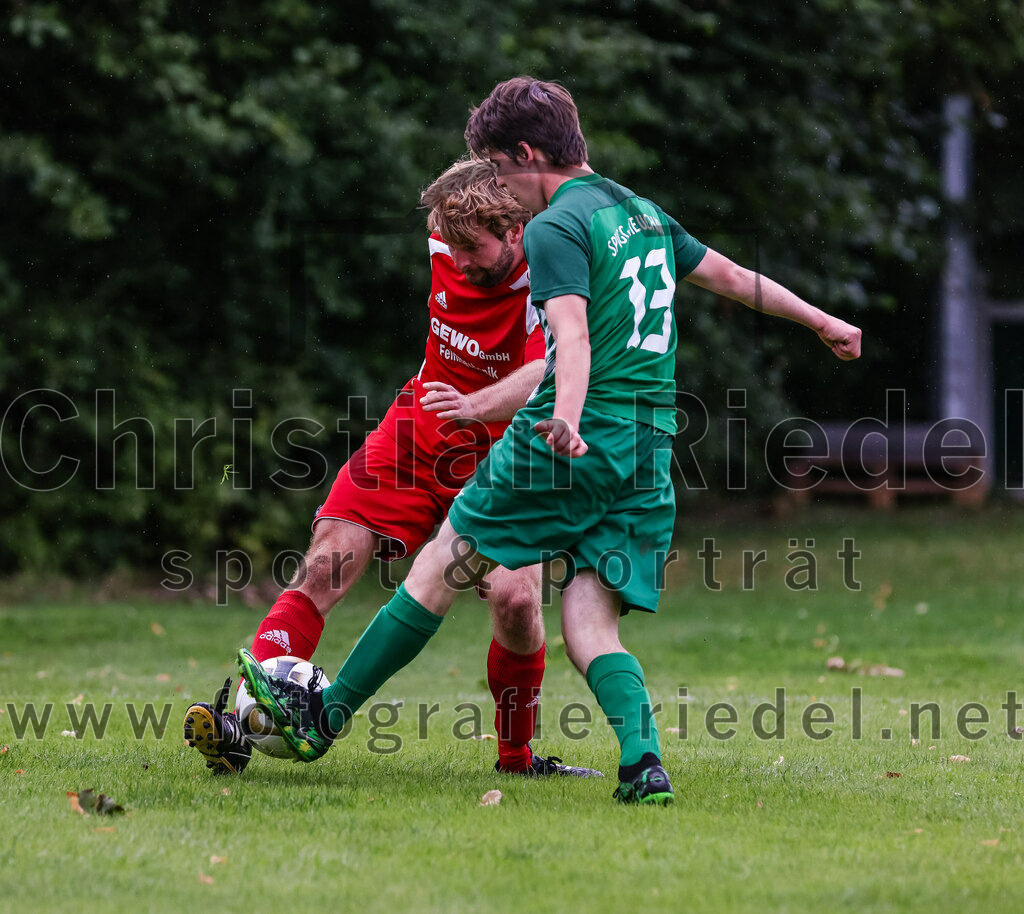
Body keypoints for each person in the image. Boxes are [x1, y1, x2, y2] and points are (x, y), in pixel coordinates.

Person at [237, 77, 862, 805]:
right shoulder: (640, 211)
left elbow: (568, 336)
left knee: (440, 567)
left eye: (498, 169)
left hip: (575, 435)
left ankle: (323, 721)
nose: (496, 186)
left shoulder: (554, 227)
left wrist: (562, 416)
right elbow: (729, 275)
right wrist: (822, 321)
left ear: (527, 154)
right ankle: (643, 765)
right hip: (649, 446)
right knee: (588, 623)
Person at [185, 156, 601, 779]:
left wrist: (476, 406)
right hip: (420, 428)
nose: (456, 260)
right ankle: (244, 719)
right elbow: (470, 176)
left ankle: (517, 761)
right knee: (327, 558)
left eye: (473, 249)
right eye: (449, 244)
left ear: (515, 232)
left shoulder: (550, 273)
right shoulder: (449, 225)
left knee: (516, 600)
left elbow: (553, 370)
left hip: (509, 449)